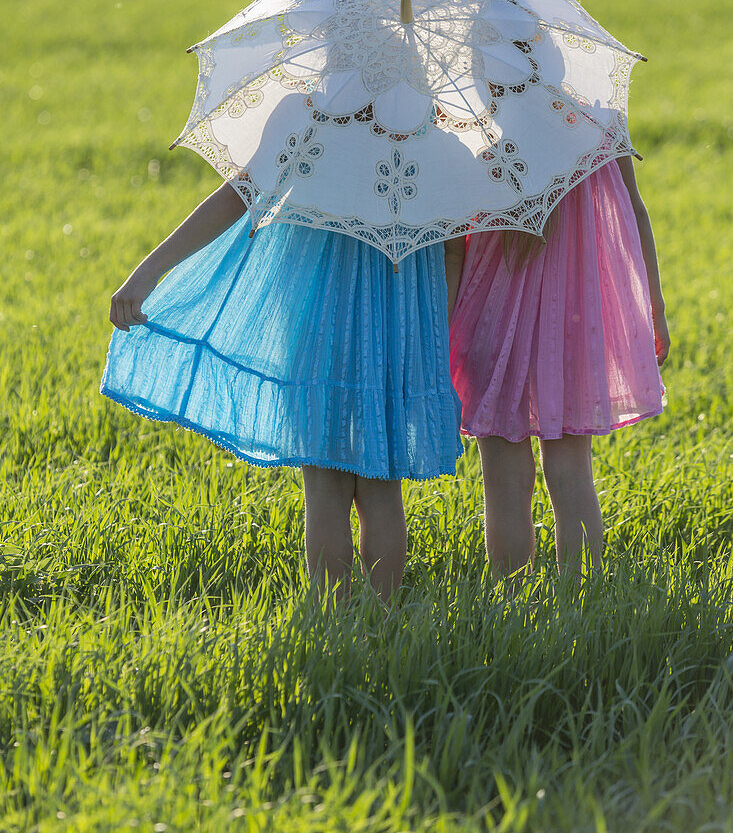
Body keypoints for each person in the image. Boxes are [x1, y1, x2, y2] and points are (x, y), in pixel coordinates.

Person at [102, 181, 465, 602]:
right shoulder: (427, 125)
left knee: (326, 482)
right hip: (396, 320)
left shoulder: (316, 116)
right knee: (381, 483)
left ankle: (335, 623)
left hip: (319, 311)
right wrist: (434, 327)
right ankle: (383, 622)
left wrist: (146, 272)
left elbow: (239, 191)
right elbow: (452, 246)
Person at [449, 156, 670, 580]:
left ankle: (510, 603)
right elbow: (635, 209)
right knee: (571, 468)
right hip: (573, 324)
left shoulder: (484, 121)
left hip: (491, 316)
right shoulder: (595, 116)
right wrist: (653, 306)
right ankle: (580, 599)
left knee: (503, 478)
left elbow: (454, 235)